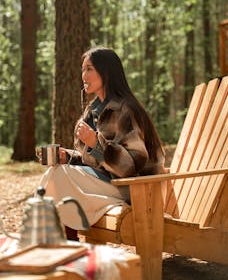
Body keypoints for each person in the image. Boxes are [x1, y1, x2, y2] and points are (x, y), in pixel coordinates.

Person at [38, 46, 165, 239]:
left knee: (60, 176)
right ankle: (65, 241)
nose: (83, 75)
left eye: (89, 69)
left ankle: (65, 241)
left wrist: (97, 143)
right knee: (56, 171)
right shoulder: (93, 111)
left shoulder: (125, 110)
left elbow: (130, 168)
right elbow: (94, 162)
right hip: (107, 183)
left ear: (106, 72)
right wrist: (69, 156)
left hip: (135, 189)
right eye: (83, 69)